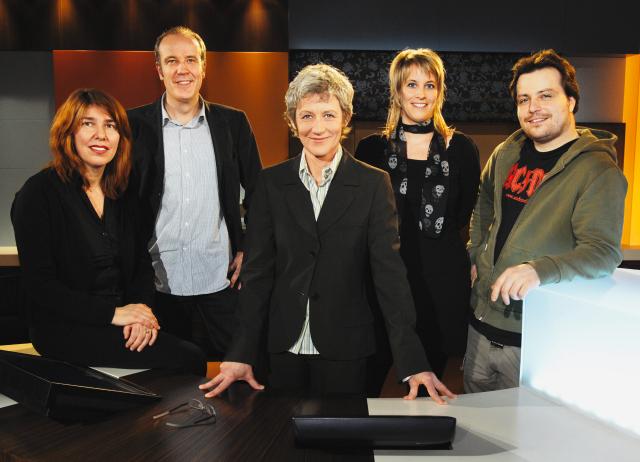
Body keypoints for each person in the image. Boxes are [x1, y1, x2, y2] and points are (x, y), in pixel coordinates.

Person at [198, 64, 456, 402]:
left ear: (345, 118)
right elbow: (257, 274)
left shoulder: (373, 184)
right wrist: (241, 352)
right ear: (293, 122)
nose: (317, 128)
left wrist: (412, 360)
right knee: (277, 433)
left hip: (346, 348)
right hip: (281, 348)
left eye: (328, 115)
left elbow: (389, 276)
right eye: (307, 116)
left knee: (341, 435)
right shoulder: (271, 183)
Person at [11, 89, 206, 375]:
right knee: (188, 358)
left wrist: (140, 312)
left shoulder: (124, 193)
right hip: (64, 327)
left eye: (110, 125)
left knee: (189, 341)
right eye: (88, 124)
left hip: (121, 317)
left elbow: (141, 265)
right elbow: (40, 286)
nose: (101, 135)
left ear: (120, 138)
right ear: (68, 133)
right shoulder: (37, 193)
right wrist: (114, 314)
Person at [464, 49, 627, 392]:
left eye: (546, 96)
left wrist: (538, 270)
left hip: (535, 338)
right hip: (479, 326)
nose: (533, 107)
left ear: (571, 101)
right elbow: (484, 204)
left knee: (523, 426)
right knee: (473, 421)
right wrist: (476, 251)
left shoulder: (598, 170)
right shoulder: (506, 152)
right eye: (524, 99)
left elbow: (602, 252)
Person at [127, 26, 262, 359]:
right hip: (156, 285)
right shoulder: (132, 126)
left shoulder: (233, 123)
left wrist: (249, 246)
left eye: (190, 59)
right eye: (171, 61)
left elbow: (260, 194)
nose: (182, 69)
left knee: (239, 372)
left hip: (221, 281)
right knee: (165, 380)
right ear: (159, 70)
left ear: (203, 67)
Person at [355, 49, 480, 393]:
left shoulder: (461, 148)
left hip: (441, 281)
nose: (421, 94)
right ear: (397, 91)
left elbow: (464, 213)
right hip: (383, 277)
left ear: (440, 92)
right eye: (411, 84)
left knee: (429, 386)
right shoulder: (370, 149)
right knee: (368, 379)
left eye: (430, 85)